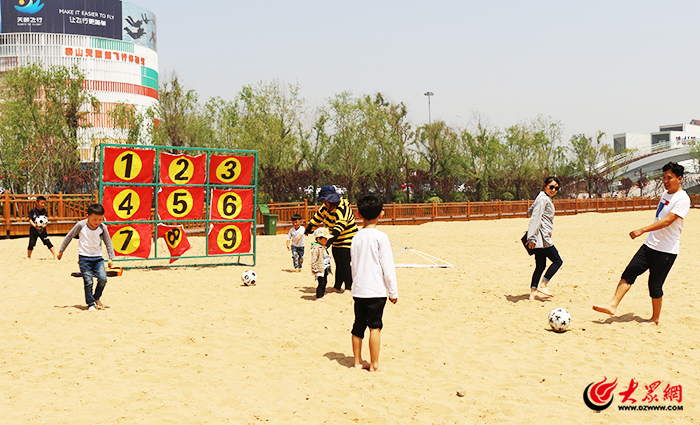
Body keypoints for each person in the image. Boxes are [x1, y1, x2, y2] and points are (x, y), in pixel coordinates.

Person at [593, 162, 690, 326]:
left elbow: (668, 221)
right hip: (650, 245)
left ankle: (655, 319)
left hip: (666, 250)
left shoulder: (683, 198)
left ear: (679, 178)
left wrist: (643, 229)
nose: (665, 181)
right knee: (629, 272)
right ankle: (612, 305)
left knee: (655, 285)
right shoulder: (666, 194)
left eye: (669, 178)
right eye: (664, 177)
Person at [350, 193, 398, 372]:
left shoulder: (356, 237)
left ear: (359, 214)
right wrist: (393, 292)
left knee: (358, 326)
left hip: (359, 289)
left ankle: (357, 362)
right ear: (381, 214)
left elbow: (353, 264)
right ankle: (374, 364)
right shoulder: (381, 237)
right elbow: (388, 267)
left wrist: (356, 284)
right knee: (375, 327)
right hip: (376, 291)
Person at [57, 204, 116, 312]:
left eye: (100, 219)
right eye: (94, 219)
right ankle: (90, 304)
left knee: (103, 279)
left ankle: (96, 298)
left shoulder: (103, 227)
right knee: (88, 282)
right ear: (87, 216)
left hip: (98, 258)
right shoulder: (81, 225)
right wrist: (61, 250)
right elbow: (69, 236)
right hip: (84, 258)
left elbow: (108, 242)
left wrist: (111, 258)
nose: (97, 222)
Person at [305, 186, 358, 293]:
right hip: (336, 240)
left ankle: (348, 287)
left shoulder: (343, 210)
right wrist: (309, 227)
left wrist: (328, 243)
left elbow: (338, 229)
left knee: (344, 264)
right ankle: (337, 286)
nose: (323, 202)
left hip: (347, 240)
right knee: (338, 263)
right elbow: (318, 217)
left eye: (325, 200)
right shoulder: (326, 208)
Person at [526, 176, 563, 300]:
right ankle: (543, 284)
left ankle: (532, 293)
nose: (553, 190)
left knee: (540, 265)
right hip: (542, 238)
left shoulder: (542, 197)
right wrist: (531, 238)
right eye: (551, 186)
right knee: (558, 261)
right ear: (544, 185)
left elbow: (530, 211)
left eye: (556, 188)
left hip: (538, 238)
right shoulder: (543, 199)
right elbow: (535, 217)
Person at [310, 227, 332, 301]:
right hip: (319, 268)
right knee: (321, 282)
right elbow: (314, 259)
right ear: (318, 239)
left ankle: (322, 295)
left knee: (325, 281)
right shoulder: (316, 248)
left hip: (325, 267)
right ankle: (318, 296)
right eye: (325, 238)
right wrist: (314, 268)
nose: (327, 240)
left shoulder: (323, 247)